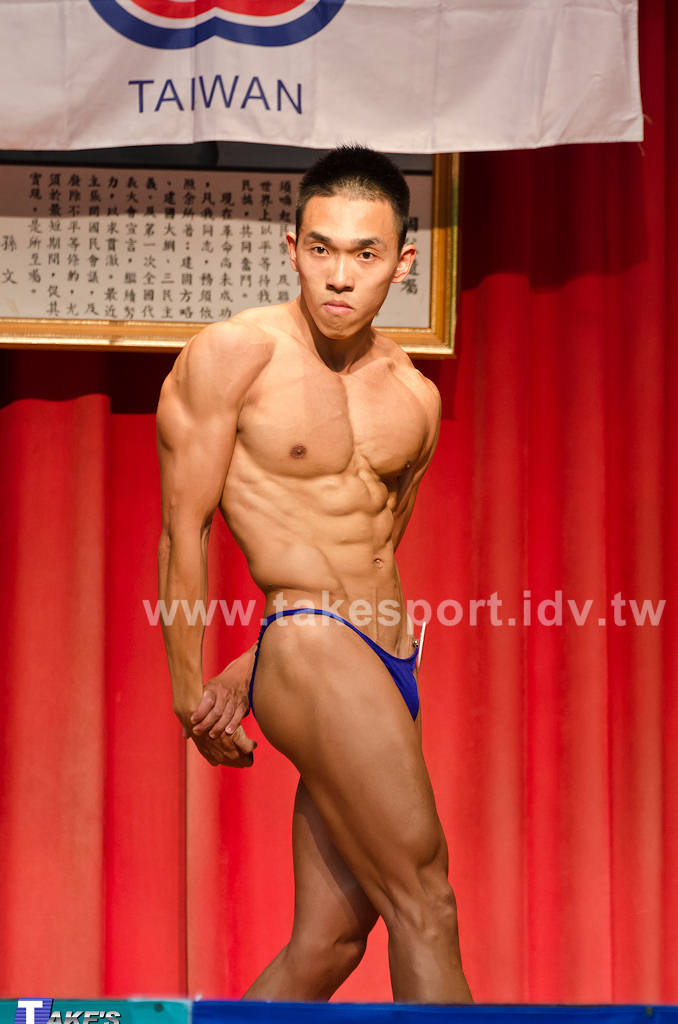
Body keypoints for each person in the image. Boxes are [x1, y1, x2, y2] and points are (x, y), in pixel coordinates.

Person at [156, 145, 472, 1004]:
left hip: (386, 661)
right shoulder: (236, 355)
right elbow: (184, 529)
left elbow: (377, 551)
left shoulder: (414, 394)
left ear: (402, 263)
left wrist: (248, 664)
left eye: (365, 254)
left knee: (330, 942)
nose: (339, 275)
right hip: (313, 645)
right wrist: (188, 691)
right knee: (428, 905)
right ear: (292, 248)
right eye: (322, 249)